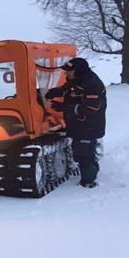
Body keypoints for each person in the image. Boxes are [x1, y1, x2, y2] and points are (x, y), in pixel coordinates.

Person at [45, 57, 106, 188]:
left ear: (78, 70)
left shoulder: (92, 84)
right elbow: (69, 88)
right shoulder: (76, 80)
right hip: (78, 125)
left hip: (89, 126)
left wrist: (64, 107)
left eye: (68, 71)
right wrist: (59, 91)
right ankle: (90, 171)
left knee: (84, 154)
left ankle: (88, 182)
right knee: (79, 152)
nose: (65, 73)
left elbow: (91, 109)